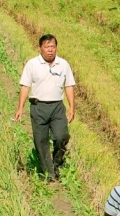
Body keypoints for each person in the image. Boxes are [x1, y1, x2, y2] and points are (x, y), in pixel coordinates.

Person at [14, 34, 76, 182]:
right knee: (41, 141)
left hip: (57, 107)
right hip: (38, 107)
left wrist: (72, 107)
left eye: (53, 47)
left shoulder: (63, 64)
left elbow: (69, 86)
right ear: (40, 48)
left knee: (62, 136)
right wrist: (20, 108)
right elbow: (25, 86)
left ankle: (57, 163)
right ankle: (49, 173)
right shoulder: (32, 64)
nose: (50, 50)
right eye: (47, 47)